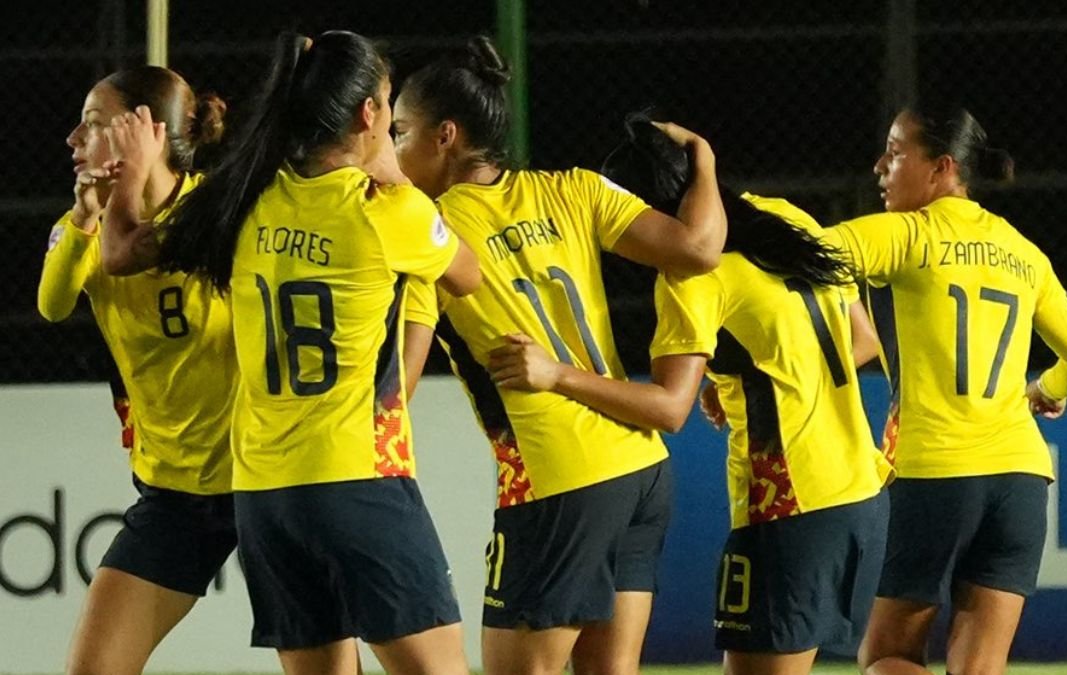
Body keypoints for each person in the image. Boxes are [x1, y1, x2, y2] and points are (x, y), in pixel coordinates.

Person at [104, 31, 481, 675]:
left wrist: (131, 178)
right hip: (356, 477)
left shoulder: (245, 197)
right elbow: (466, 274)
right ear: (368, 116)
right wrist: (397, 182)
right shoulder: (386, 210)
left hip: (266, 498)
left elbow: (120, 254)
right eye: (387, 105)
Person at [487, 113, 894, 675]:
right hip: (861, 494)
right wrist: (746, 381)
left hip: (790, 503)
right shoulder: (781, 216)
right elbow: (863, 339)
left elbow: (669, 409)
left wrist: (557, 374)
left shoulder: (692, 278)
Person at [395, 37, 726, 675]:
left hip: (555, 478)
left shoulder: (427, 229)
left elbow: (401, 374)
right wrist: (705, 163)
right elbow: (697, 248)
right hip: (641, 471)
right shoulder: (574, 189)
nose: (393, 146)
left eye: (401, 131)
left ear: (445, 136)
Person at [821, 105, 1067, 675]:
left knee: (887, 656)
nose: (880, 165)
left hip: (933, 474)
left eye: (897, 152)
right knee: (980, 667)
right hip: (1021, 479)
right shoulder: (1023, 252)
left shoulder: (902, 235)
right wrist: (1047, 388)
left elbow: (800, 258)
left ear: (942, 167)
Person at [36, 66, 238, 675]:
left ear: (142, 134)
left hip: (263, 481)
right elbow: (52, 304)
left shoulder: (220, 212)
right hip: (173, 493)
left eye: (94, 125)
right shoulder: (85, 227)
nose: (73, 139)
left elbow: (140, 249)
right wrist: (81, 216)